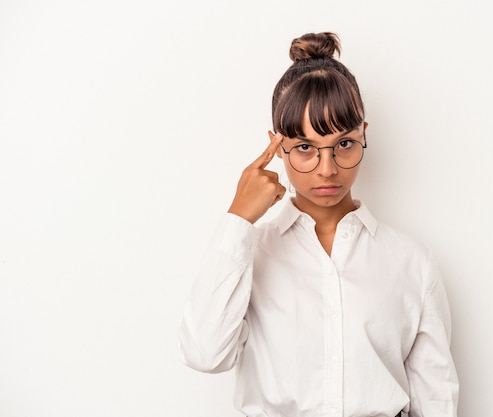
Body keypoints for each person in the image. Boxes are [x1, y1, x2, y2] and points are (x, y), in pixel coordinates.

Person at [178, 32, 459, 417]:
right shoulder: (249, 253)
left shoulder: (412, 263)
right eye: (306, 148)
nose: (327, 169)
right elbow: (205, 353)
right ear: (277, 145)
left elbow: (436, 399)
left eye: (344, 144)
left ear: (364, 135)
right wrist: (239, 218)